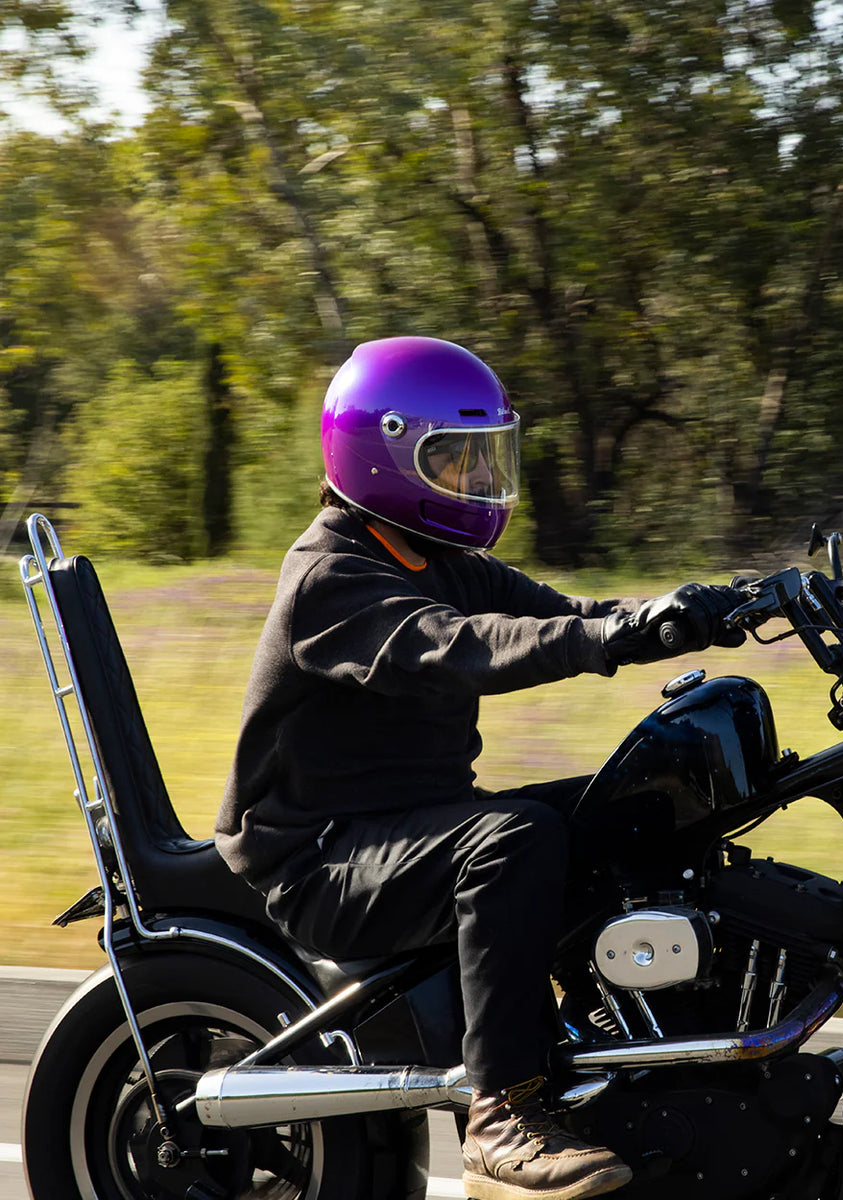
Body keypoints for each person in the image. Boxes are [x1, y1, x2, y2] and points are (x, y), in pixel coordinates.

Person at [214, 335, 744, 1200]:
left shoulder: (442, 559)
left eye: (480, 455)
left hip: (408, 831)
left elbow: (570, 612)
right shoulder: (332, 577)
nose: (474, 476)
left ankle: (641, 1044)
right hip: (321, 860)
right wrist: (611, 639)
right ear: (382, 451)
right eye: (452, 457)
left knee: (647, 798)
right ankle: (501, 1118)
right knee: (517, 840)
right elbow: (463, 648)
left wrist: (698, 609)